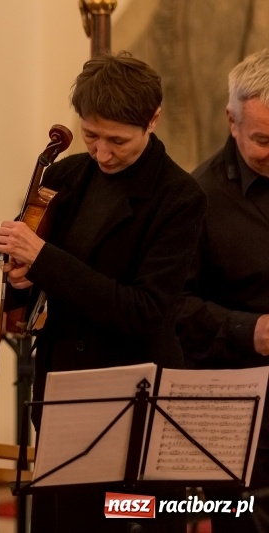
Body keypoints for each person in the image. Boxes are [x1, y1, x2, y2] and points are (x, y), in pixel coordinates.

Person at [0, 51, 206, 532]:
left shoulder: (179, 197)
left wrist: (44, 261)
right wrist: (16, 276)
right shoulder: (64, 177)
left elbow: (144, 309)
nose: (102, 153)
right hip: (62, 397)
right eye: (91, 135)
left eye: (117, 140)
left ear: (153, 120)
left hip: (135, 402)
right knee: (63, 522)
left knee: (126, 519)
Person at [176, 48, 269, 533]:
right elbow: (174, 309)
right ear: (231, 121)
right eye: (263, 141)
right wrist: (249, 330)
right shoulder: (199, 198)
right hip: (245, 419)